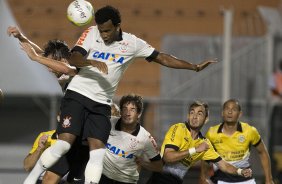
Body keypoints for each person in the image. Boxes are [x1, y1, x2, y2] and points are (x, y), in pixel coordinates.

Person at [24, 5, 217, 184]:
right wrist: (27, 44)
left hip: (95, 114)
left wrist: (193, 67)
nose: (104, 35)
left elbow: (162, 57)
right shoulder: (89, 37)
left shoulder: (131, 44)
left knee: (87, 164)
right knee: (54, 168)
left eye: (107, 30)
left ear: (118, 26)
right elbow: (63, 61)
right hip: (78, 110)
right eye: (101, 30)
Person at [147, 101, 252, 184]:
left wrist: (240, 171)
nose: (194, 116)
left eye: (199, 113)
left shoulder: (204, 144)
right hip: (159, 178)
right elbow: (168, 157)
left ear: (206, 119)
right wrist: (195, 150)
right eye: (192, 112)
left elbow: (223, 165)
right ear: (188, 116)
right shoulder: (179, 128)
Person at [200, 99, 274, 184]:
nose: (230, 112)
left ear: (240, 114)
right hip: (221, 180)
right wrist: (203, 177)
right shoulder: (211, 133)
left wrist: (269, 179)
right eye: (227, 109)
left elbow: (263, 152)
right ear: (222, 113)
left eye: (234, 109)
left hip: (246, 180)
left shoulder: (250, 131)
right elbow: (204, 157)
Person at [98, 94, 163, 184]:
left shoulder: (146, 137)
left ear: (139, 114)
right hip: (102, 177)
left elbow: (159, 166)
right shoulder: (108, 123)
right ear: (120, 112)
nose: (128, 113)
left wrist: (143, 163)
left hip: (126, 181)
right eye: (125, 108)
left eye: (132, 109)